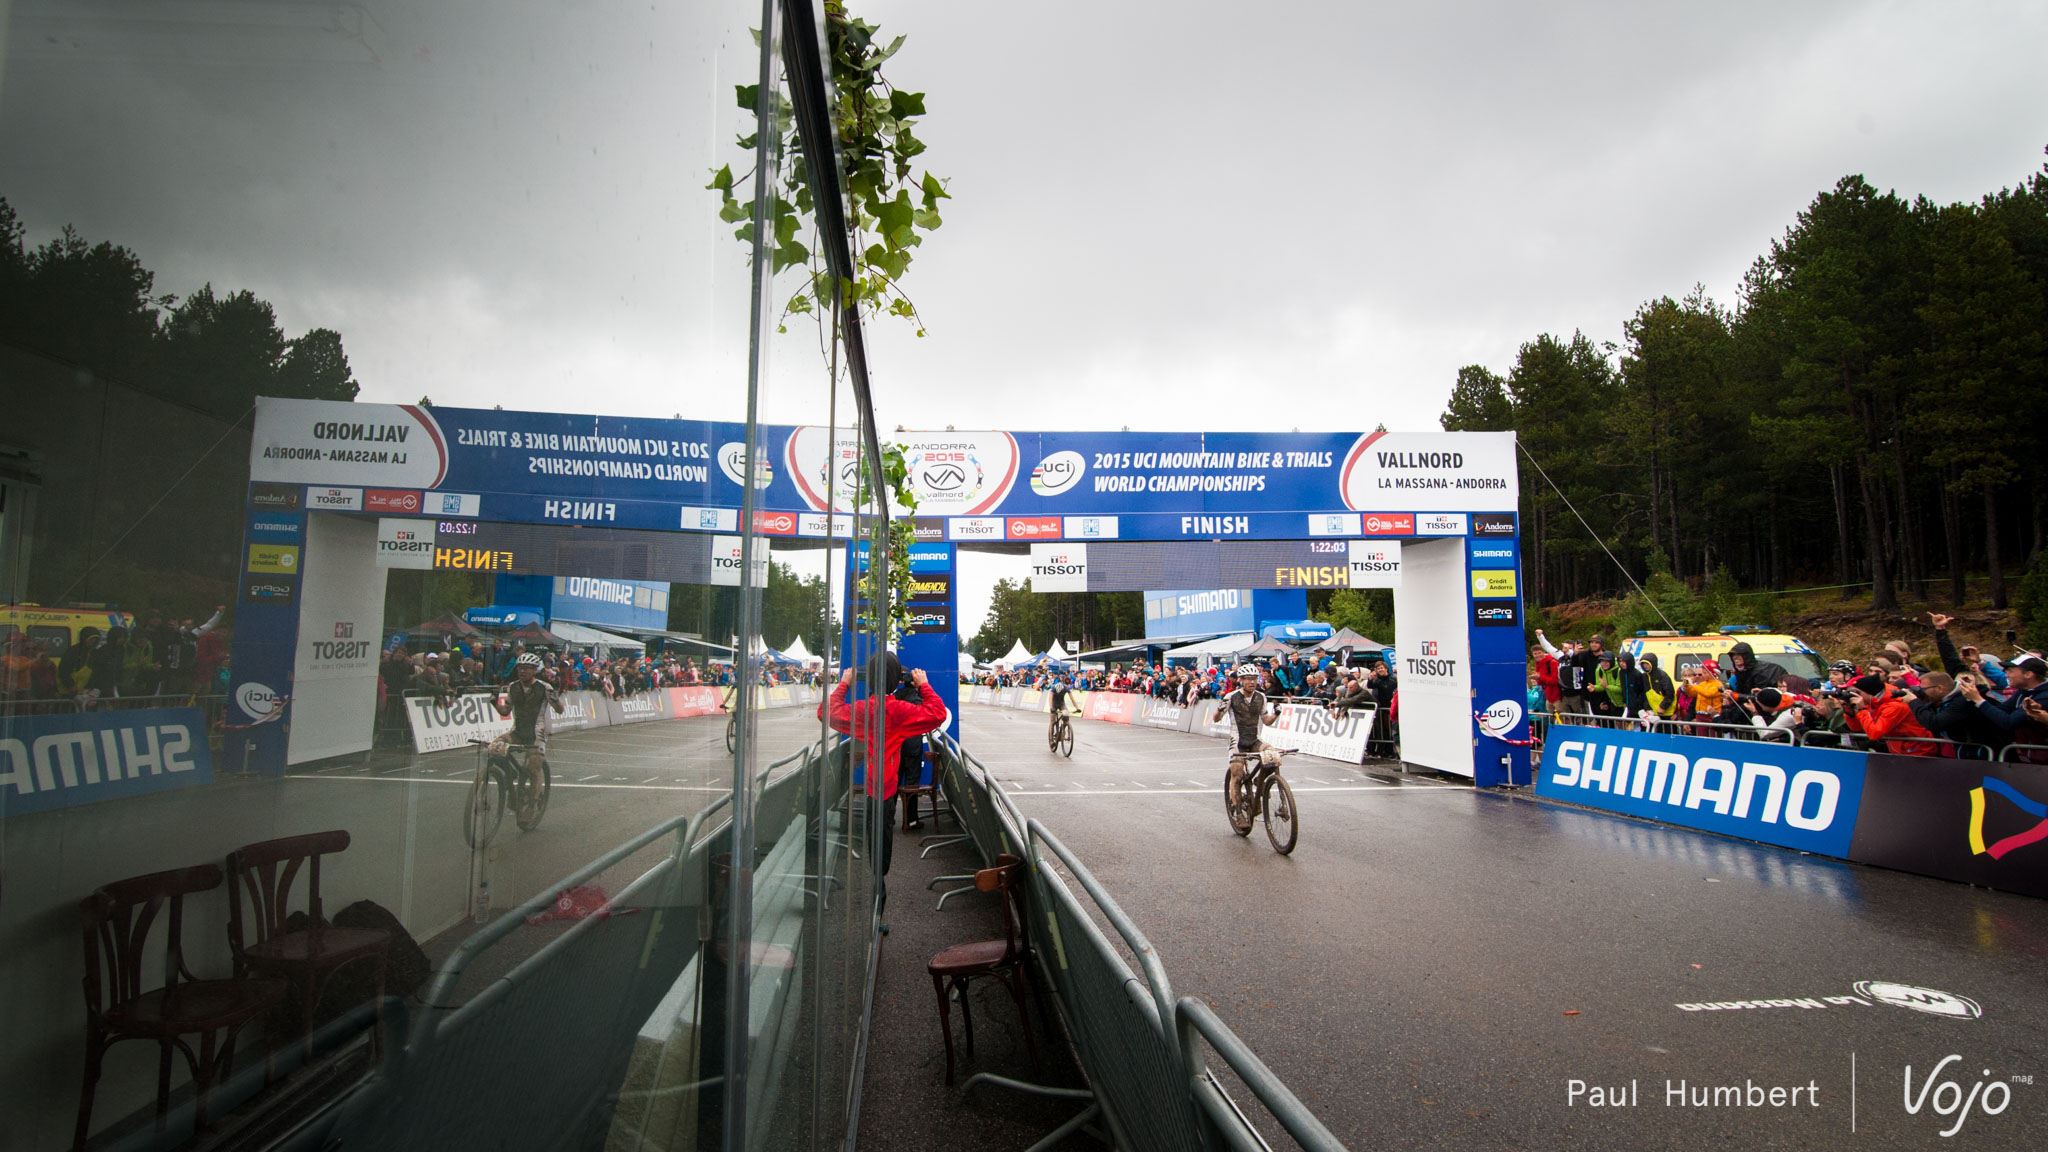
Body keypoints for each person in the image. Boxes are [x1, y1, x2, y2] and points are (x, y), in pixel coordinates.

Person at [821, 651, 950, 879]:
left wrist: (844, 684)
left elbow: (826, 712)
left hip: (872, 787)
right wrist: (924, 685)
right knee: (882, 847)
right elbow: (938, 713)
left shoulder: (863, 710)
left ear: (869, 679)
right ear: (898, 679)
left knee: (874, 843)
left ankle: (876, 880)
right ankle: (879, 881)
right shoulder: (899, 710)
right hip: (888, 789)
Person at [494, 652, 565, 816]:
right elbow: (505, 711)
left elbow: (560, 710)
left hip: (536, 734)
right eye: (520, 668)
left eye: (527, 668)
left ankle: (532, 806)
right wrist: (493, 702)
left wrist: (555, 698)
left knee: (533, 768)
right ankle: (511, 775)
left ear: (534, 670)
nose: (522, 671)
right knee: (494, 748)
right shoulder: (513, 687)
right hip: (517, 731)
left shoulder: (544, 687)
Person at [1954, 655, 2048, 762]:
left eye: (2010, 671)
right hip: (2031, 755)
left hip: (2042, 759)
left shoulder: (2044, 696)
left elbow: (2008, 722)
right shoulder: (2023, 691)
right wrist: (1974, 695)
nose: (2006, 675)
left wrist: (1978, 699)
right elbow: (2001, 710)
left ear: (2028, 674)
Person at [1842, 673, 1941, 756]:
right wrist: (1848, 710)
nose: (1853, 695)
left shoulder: (1895, 705)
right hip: (1901, 752)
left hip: (1918, 752)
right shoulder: (1873, 703)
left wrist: (1862, 710)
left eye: (1856, 692)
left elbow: (1875, 734)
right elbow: (1856, 728)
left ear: (1868, 691)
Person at [1211, 663, 1276, 780]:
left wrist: (1276, 714)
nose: (1252, 682)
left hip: (1255, 739)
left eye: (1255, 679)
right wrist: (1219, 710)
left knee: (1274, 758)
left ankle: (1259, 781)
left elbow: (1266, 721)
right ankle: (1236, 790)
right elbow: (1216, 719)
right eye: (1248, 679)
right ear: (1240, 680)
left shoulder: (1261, 696)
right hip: (1237, 740)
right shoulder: (1231, 696)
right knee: (1237, 773)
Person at [1047, 674, 1078, 746]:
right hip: (1054, 704)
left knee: (1066, 717)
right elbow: (1050, 698)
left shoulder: (1066, 687)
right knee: (1052, 721)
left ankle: (1062, 731)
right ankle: (1051, 740)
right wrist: (1051, 708)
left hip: (1061, 704)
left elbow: (1072, 698)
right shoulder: (1053, 688)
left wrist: (1077, 708)